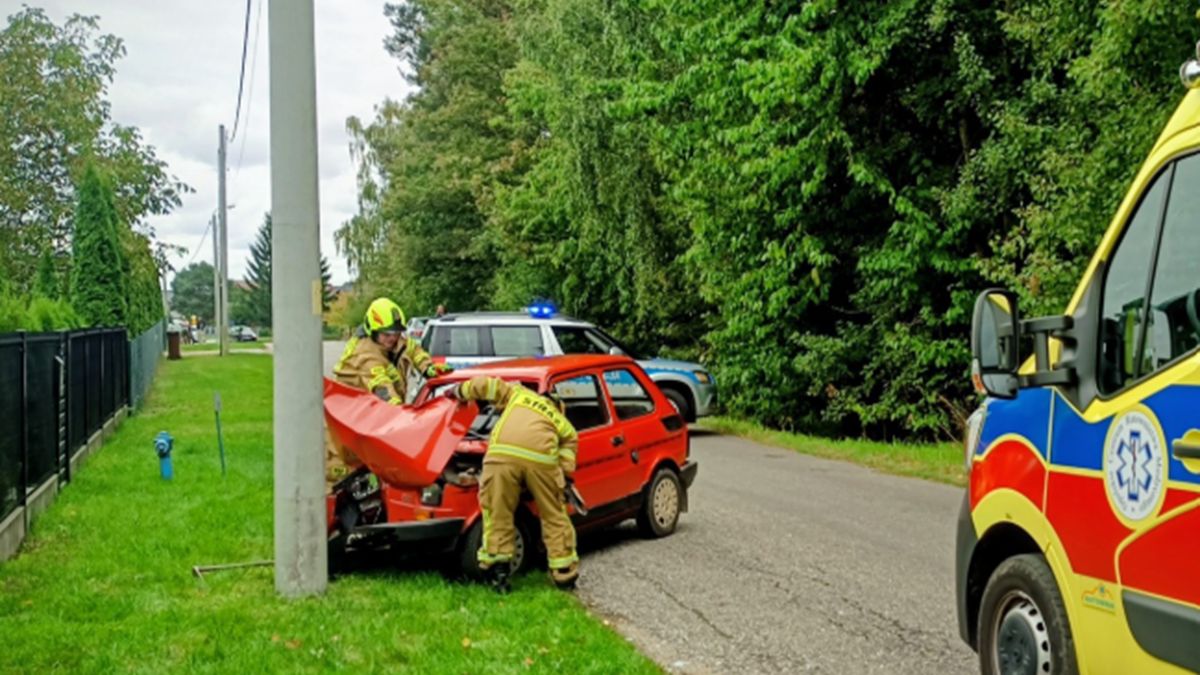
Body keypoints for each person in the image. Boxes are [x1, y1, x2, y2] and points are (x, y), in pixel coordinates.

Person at [444, 375, 580, 593]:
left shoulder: (518, 394)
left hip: (502, 456)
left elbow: (486, 385)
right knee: (554, 515)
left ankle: (497, 573)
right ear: (558, 406)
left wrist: (459, 391)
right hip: (541, 460)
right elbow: (568, 449)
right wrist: (563, 478)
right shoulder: (561, 421)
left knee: (497, 513)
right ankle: (564, 574)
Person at [325, 297, 453, 488]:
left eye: (396, 333)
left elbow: (413, 350)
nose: (392, 338)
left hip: (372, 422)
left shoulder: (394, 342)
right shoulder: (365, 356)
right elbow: (382, 389)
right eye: (387, 334)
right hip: (347, 428)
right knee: (341, 482)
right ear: (372, 331)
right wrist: (404, 417)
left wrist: (429, 368)